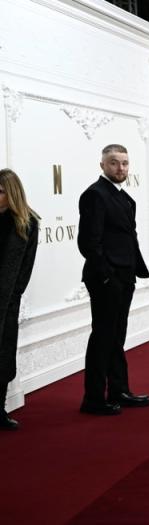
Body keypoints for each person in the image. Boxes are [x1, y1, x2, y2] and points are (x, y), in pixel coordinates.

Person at [77, 144, 149, 416]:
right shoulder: (95, 195)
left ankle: (118, 389)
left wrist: (128, 274)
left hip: (124, 275)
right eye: (113, 163)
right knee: (103, 337)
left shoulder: (123, 197)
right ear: (102, 165)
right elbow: (88, 242)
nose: (120, 168)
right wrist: (108, 278)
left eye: (124, 163)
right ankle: (94, 398)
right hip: (106, 279)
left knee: (116, 336)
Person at [0, 169, 39, 430]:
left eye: (1, 190)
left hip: (6, 302)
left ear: (11, 193)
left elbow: (26, 266)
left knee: (3, 357)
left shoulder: (27, 223)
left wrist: (13, 297)